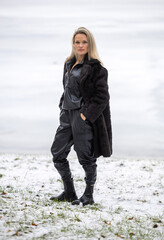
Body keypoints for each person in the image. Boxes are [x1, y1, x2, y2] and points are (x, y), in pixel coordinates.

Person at [50, 27, 112, 206]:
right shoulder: (68, 63)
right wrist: (63, 104)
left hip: (82, 116)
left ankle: (88, 195)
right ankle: (69, 191)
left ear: (89, 44)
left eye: (84, 42)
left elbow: (102, 97)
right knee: (57, 153)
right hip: (66, 114)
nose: (80, 45)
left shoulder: (97, 69)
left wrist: (85, 115)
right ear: (73, 44)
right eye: (77, 42)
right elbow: (67, 87)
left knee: (85, 156)